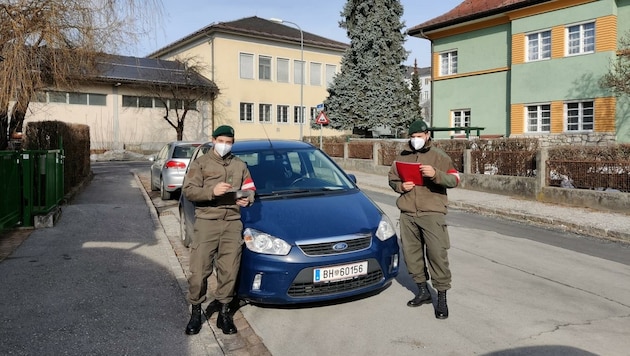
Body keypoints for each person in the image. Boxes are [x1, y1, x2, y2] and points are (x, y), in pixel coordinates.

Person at [182, 125, 255, 335]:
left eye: (229, 142)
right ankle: (196, 311)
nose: (225, 145)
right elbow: (189, 190)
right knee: (199, 271)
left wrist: (246, 199)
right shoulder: (201, 164)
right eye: (221, 141)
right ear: (213, 140)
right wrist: (211, 191)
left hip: (232, 223)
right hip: (207, 223)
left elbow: (250, 189)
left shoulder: (240, 165)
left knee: (229, 271)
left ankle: (224, 314)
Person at [388, 119, 460, 319]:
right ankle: (423, 291)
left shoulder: (439, 156)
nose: (415, 140)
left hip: (432, 212)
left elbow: (455, 179)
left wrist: (435, 174)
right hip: (408, 212)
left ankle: (442, 298)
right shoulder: (402, 156)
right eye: (412, 137)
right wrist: (401, 187)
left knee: (437, 254)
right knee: (411, 255)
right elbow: (392, 178)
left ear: (427, 135)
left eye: (419, 136)